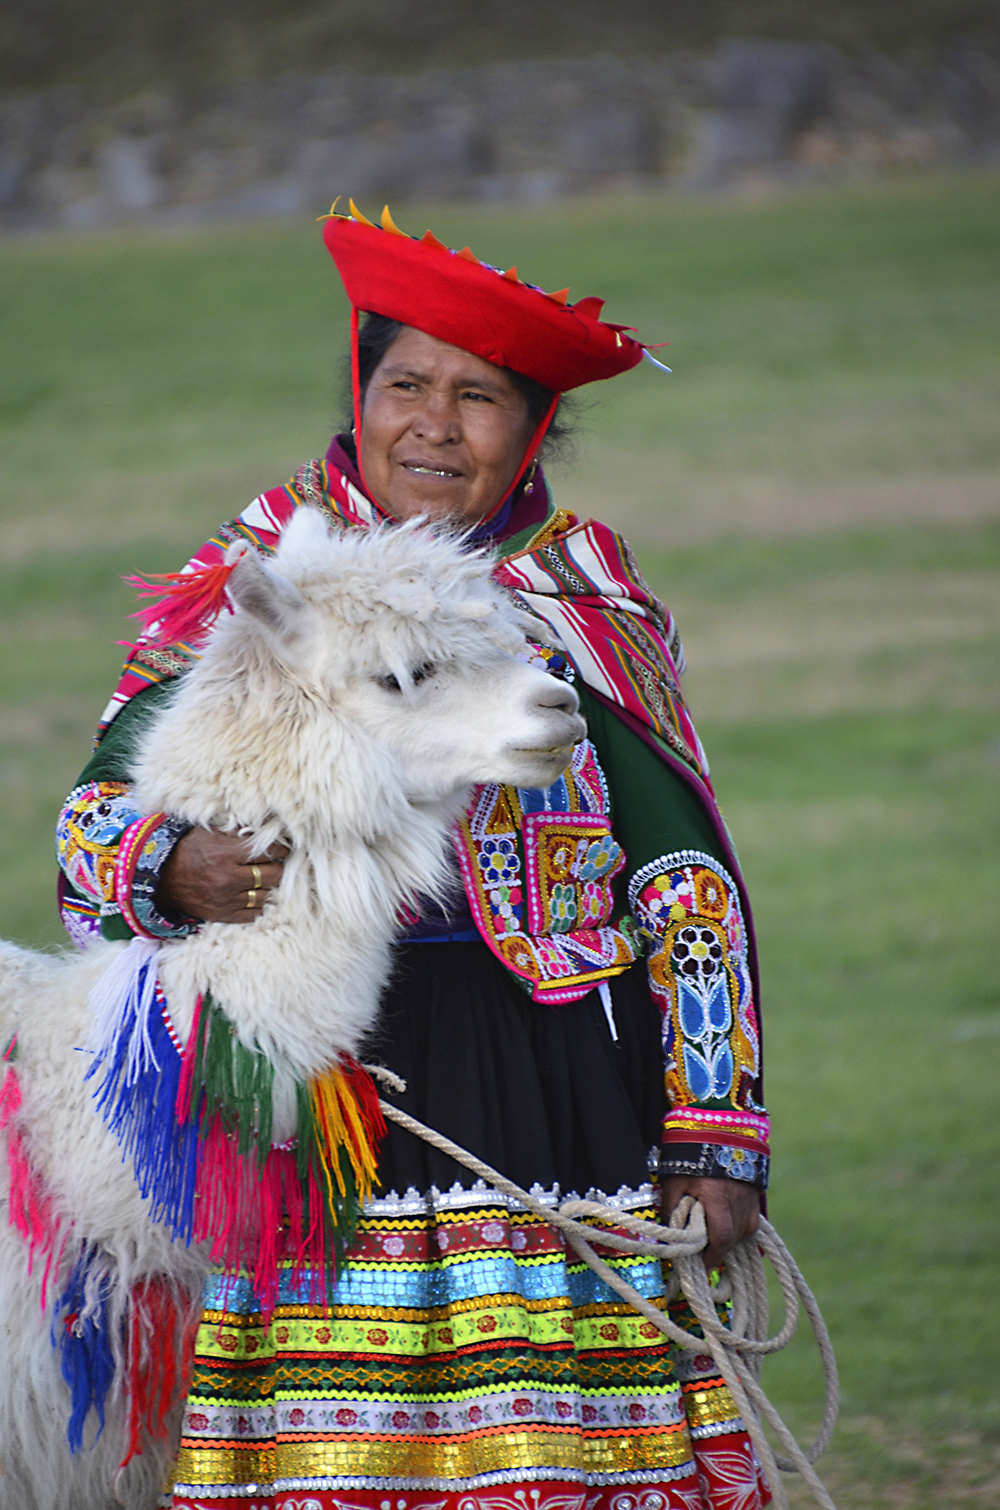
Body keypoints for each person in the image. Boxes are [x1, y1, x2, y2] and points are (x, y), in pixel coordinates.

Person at [56, 203, 771, 1510]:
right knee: (332, 1439)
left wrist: (717, 1129)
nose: (436, 425)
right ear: (361, 393)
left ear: (532, 429)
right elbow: (93, 822)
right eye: (407, 386)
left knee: (553, 1440)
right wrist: (171, 862)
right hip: (325, 1083)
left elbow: (685, 882)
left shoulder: (582, 603)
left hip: (549, 1075)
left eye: (479, 397)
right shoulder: (261, 582)